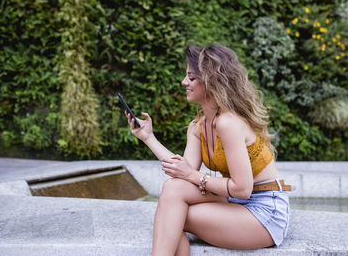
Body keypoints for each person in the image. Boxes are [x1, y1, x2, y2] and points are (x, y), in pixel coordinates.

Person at [125, 44, 291, 256]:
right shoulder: (198, 126)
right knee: (173, 193)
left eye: (191, 78)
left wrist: (193, 175)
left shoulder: (228, 123)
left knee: (173, 216)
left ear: (212, 82)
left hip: (264, 209)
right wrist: (148, 137)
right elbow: (183, 173)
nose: (184, 82)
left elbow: (242, 189)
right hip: (235, 201)